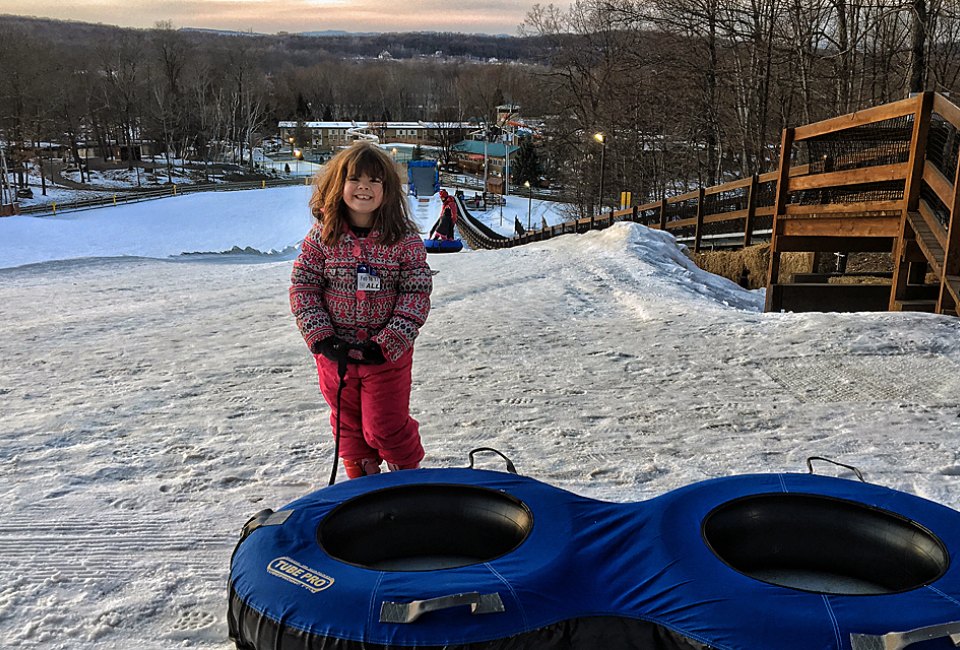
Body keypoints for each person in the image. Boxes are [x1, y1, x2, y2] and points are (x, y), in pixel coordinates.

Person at [290, 141, 433, 479]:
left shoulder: (404, 240)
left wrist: (389, 341)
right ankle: (362, 483)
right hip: (335, 358)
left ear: (388, 190)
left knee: (384, 425)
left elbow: (416, 293)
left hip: (386, 359)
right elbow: (304, 286)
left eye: (375, 181)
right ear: (339, 186)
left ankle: (406, 478)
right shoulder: (322, 238)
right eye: (355, 179)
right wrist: (321, 337)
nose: (364, 188)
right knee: (348, 426)